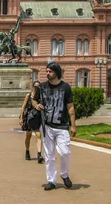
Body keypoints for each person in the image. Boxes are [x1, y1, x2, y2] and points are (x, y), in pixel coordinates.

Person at [33, 62, 76, 191]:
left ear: (57, 73)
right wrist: (36, 105)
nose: (47, 73)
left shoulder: (66, 87)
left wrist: (73, 125)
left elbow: (70, 107)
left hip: (62, 126)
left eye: (50, 71)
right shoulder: (42, 87)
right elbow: (34, 100)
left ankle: (64, 175)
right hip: (47, 126)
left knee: (64, 152)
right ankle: (51, 180)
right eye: (46, 71)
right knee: (49, 155)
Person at [20, 81, 43, 163]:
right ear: (33, 87)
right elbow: (23, 107)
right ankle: (27, 151)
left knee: (38, 135)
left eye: (39, 86)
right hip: (29, 118)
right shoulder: (28, 95)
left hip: (37, 118)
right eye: (36, 86)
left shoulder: (41, 96)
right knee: (28, 135)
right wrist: (21, 118)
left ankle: (39, 154)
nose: (37, 88)